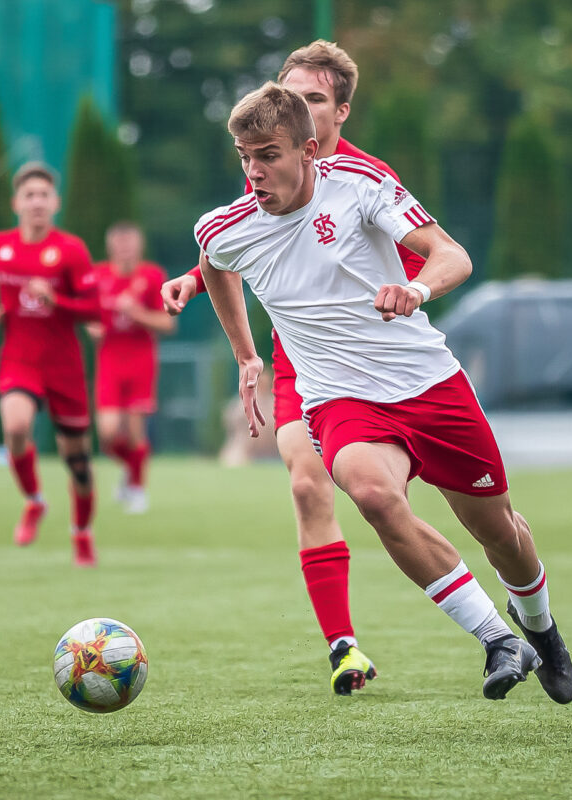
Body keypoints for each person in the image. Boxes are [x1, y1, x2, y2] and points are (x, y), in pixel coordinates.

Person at [197, 82, 572, 703]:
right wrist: (245, 353)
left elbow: (451, 255)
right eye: (244, 156)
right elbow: (214, 265)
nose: (254, 171)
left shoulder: (360, 185)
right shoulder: (225, 228)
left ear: (308, 150)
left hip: (428, 383)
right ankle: (497, 639)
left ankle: (540, 626)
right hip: (340, 400)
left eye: (267, 154)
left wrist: (418, 290)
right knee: (372, 494)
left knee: (500, 532)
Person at [162, 41, 425, 695]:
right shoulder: (269, 169)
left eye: (311, 98)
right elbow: (244, 245)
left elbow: (419, 257)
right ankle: (343, 647)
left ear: (338, 111)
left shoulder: (367, 181)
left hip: (382, 365)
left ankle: (500, 604)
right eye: (290, 94)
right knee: (308, 488)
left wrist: (404, 294)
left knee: (392, 503)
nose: (295, 108)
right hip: (299, 365)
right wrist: (198, 282)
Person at [0, 162, 100, 566]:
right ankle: (34, 501)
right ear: (16, 203)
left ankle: (81, 534)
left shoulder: (71, 250)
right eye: (29, 195)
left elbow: (93, 308)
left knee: (78, 463)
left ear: (55, 202)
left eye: (44, 195)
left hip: (64, 365)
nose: (37, 202)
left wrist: (55, 300)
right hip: (19, 357)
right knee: (15, 427)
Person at [89, 221, 175, 513]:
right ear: (110, 246)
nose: (125, 250)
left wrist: (136, 313)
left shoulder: (152, 276)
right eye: (119, 244)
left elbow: (167, 322)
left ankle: (137, 489)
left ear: (139, 247)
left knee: (136, 429)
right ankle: (131, 470)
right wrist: (92, 326)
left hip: (140, 360)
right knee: (108, 433)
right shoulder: (97, 275)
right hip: (109, 361)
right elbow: (86, 312)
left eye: (130, 244)